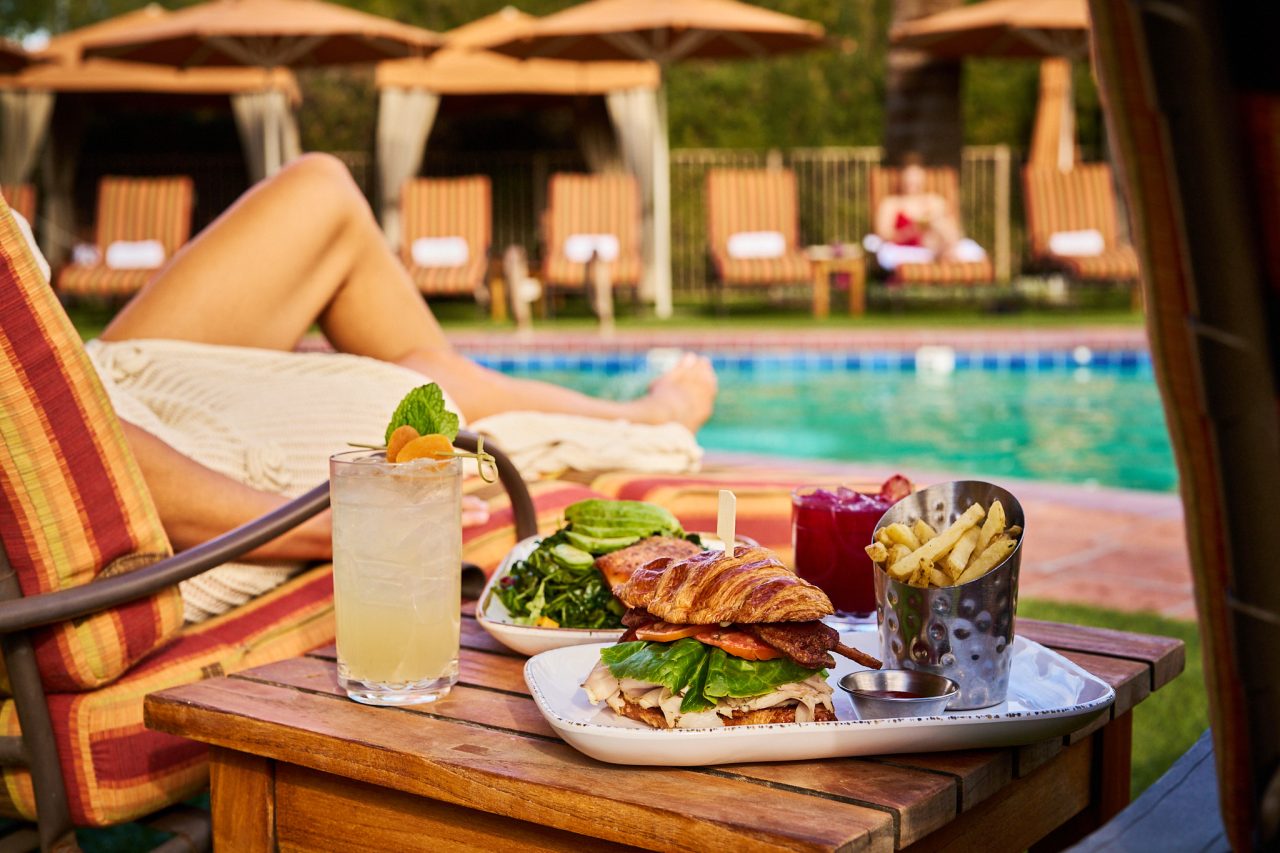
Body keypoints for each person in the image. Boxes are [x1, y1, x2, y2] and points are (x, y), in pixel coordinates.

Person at [74, 153, 717, 620]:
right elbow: (50, 445)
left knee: (320, 190)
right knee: (426, 393)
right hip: (137, 456)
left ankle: (635, 414)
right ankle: (642, 417)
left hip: (97, 384)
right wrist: (324, 528)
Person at [868, 155, 986, 270]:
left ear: (923, 177)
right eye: (909, 178)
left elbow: (955, 231)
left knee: (945, 228)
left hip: (938, 245)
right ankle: (943, 257)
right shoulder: (891, 204)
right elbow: (883, 235)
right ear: (901, 178)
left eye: (915, 177)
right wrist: (912, 231)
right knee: (887, 253)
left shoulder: (935, 201)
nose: (912, 182)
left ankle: (945, 254)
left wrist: (934, 222)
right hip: (908, 251)